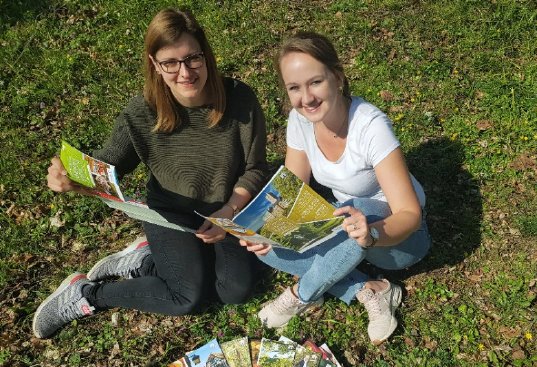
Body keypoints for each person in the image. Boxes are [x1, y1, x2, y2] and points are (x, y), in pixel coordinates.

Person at [33, 7, 268, 339]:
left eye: (192, 59)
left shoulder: (239, 98)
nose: (184, 72)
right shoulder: (141, 112)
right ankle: (86, 294)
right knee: (187, 297)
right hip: (169, 215)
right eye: (170, 63)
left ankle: (144, 262)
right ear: (155, 65)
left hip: (227, 211)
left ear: (206, 55)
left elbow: (255, 168)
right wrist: (68, 173)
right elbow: (109, 165)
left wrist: (227, 211)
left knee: (235, 291)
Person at [241, 32, 431, 345]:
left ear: (338, 78)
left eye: (315, 82)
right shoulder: (300, 121)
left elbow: (409, 214)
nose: (306, 98)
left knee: (357, 209)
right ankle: (373, 290)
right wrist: (262, 231)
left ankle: (299, 295)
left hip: (399, 241)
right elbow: (291, 191)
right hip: (351, 227)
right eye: (294, 88)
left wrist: (371, 234)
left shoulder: (371, 127)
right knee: (266, 246)